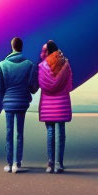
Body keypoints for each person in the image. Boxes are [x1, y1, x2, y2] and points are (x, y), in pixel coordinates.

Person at [0, 36, 38, 173]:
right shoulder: (29, 65)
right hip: (22, 102)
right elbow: (33, 88)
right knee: (19, 133)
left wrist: (6, 93)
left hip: (8, 103)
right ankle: (17, 163)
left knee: (9, 132)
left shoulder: (2, 65)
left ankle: (9, 162)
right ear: (21, 47)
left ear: (12, 47)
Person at [38, 39, 73, 173]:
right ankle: (59, 163)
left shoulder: (42, 66)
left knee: (50, 133)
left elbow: (43, 85)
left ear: (47, 51)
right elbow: (69, 84)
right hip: (62, 103)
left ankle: (50, 163)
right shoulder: (66, 64)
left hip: (48, 104)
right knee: (61, 134)